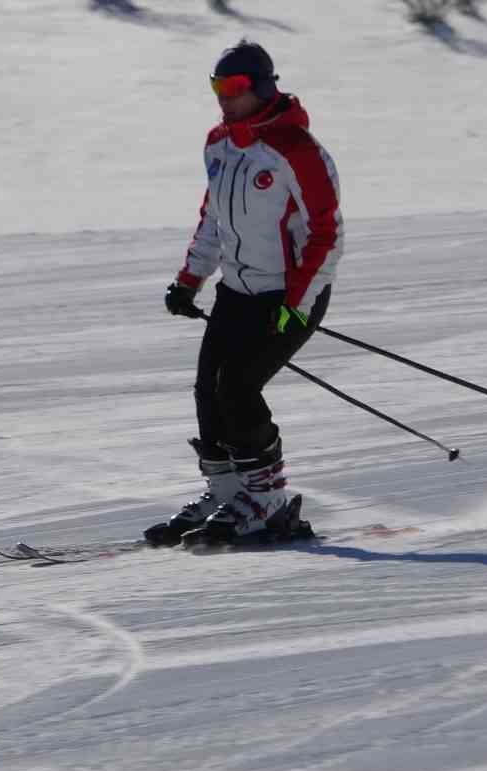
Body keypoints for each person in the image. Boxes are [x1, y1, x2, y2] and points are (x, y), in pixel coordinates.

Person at [145, 40, 343, 547]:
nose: (223, 98)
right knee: (208, 390)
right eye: (217, 87)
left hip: (288, 295)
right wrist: (190, 279)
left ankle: (267, 502)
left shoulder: (298, 151)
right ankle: (229, 492)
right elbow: (213, 218)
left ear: (261, 88)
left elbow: (327, 234)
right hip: (237, 290)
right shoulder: (220, 144)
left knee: (237, 389)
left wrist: (296, 307)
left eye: (233, 88)